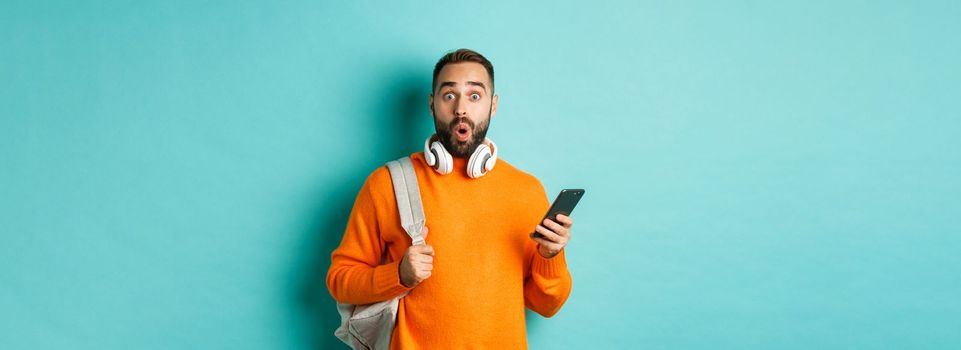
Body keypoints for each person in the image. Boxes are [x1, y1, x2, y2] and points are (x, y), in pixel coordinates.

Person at [326, 48, 573, 349]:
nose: (461, 109)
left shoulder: (527, 190)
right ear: (432, 104)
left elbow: (546, 305)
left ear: (493, 106)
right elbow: (340, 281)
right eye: (448, 95)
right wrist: (398, 274)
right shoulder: (388, 183)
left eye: (474, 96)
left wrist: (550, 257)